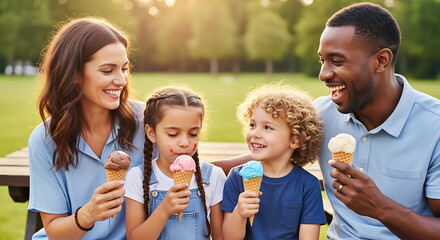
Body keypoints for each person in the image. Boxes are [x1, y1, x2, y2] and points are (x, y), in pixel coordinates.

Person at [315, 2, 440, 239]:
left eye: (337, 61)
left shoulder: (435, 127)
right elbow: (265, 157)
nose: (323, 74)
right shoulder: (319, 114)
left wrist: (381, 208)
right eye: (322, 60)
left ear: (381, 60)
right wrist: (219, 170)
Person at [27, 17, 157, 239]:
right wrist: (88, 214)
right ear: (74, 74)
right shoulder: (44, 139)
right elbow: (55, 232)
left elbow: (187, 162)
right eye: (108, 71)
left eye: (124, 68)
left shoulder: (146, 122)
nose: (121, 80)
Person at [221, 84, 326, 240]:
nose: (254, 133)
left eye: (267, 127)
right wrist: (239, 213)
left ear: (295, 139)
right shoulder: (237, 177)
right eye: (252, 125)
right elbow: (229, 238)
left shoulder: (308, 185)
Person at [124, 86, 226, 239]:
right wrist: (164, 210)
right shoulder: (137, 177)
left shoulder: (213, 177)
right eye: (173, 134)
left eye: (193, 134)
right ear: (152, 133)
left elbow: (221, 237)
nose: (185, 142)